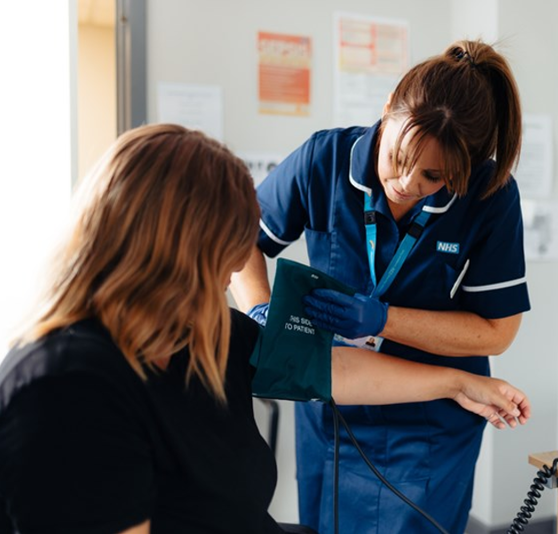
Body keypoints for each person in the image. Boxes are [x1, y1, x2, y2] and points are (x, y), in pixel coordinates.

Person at [0, 124, 530, 534]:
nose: (232, 275)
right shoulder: (63, 388)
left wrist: (459, 383)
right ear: (166, 253)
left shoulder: (192, 334)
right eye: (221, 259)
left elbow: (326, 367)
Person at [230, 40, 531, 534]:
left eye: (435, 175)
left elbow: (496, 331)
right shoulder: (324, 160)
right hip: (332, 411)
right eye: (399, 156)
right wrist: (261, 312)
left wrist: (384, 320)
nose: (408, 183)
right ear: (388, 106)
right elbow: (241, 237)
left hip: (428, 425)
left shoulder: (488, 194)